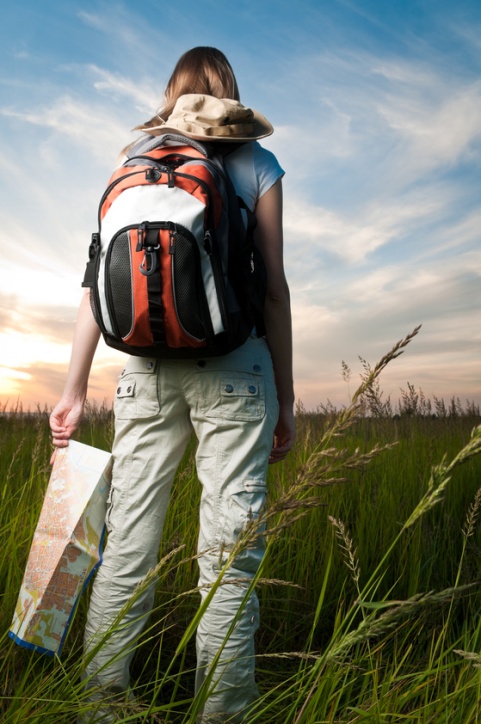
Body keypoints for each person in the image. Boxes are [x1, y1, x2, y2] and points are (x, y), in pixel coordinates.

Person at [50, 46, 295, 723]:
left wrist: (72, 392)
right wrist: (287, 396)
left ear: (172, 92)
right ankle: (222, 711)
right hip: (236, 368)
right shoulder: (256, 164)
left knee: (127, 541)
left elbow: (94, 286)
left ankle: (102, 703)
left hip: (144, 370)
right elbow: (271, 289)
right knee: (227, 558)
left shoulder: (131, 164)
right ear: (231, 92)